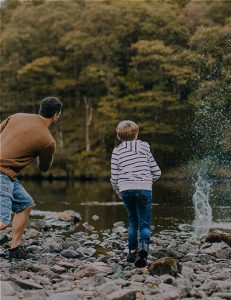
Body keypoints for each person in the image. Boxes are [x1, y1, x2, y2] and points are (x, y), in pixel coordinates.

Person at [0, 97, 62, 260]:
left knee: (25, 204)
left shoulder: (16, 116)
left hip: (9, 175)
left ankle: (15, 249)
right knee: (2, 222)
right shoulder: (48, 140)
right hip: (2, 173)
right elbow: (44, 168)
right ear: (56, 115)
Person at [110, 120, 161, 268]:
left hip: (125, 188)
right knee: (144, 223)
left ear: (119, 137)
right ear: (137, 134)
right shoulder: (145, 147)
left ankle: (132, 251)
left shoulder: (117, 151)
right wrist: (148, 182)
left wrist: (118, 190)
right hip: (144, 188)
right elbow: (156, 172)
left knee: (133, 221)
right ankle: (144, 248)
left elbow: (114, 176)